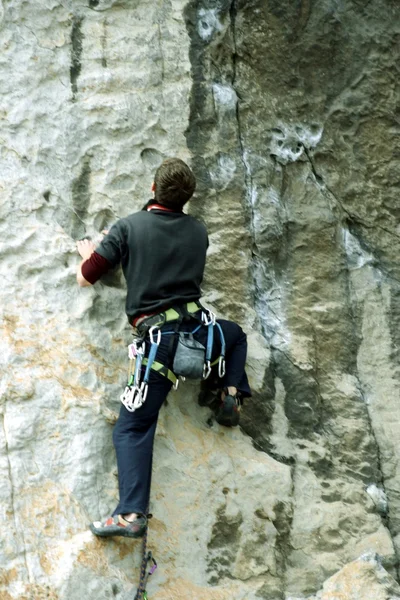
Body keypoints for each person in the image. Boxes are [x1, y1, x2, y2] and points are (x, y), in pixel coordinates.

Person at [76, 158, 251, 540]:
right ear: (188, 198)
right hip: (200, 335)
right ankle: (230, 393)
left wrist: (94, 251)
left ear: (152, 189)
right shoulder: (198, 231)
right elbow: (167, 249)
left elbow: (87, 277)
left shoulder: (127, 228)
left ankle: (130, 516)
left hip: (159, 344)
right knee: (235, 335)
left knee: (133, 427)